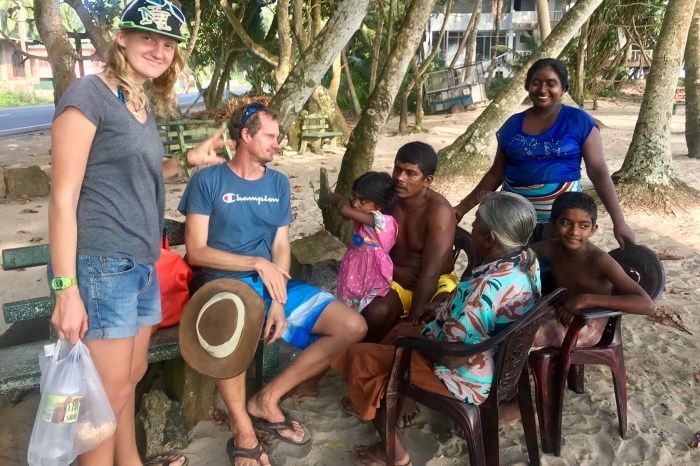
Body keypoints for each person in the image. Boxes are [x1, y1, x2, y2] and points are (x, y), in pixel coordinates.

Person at [48, 1, 225, 465]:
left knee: (129, 377)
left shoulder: (139, 104)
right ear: (121, 38)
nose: (159, 50)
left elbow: (134, 174)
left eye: (168, 43)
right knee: (101, 402)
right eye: (148, 37)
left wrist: (186, 162)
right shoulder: (88, 95)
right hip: (103, 262)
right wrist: (65, 289)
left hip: (144, 263)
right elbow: (63, 197)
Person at [177, 102, 367, 466]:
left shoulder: (277, 183)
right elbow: (197, 252)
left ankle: (266, 399)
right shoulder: (208, 181)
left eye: (277, 137)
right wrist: (255, 262)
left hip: (272, 285)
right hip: (226, 288)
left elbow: (281, 244)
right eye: (269, 136)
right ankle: (242, 430)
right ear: (245, 136)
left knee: (352, 326)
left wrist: (278, 299)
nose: (277, 144)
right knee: (229, 328)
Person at [332, 192, 542, 466]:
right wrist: (446, 306)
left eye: (476, 222)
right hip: (496, 357)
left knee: (362, 359)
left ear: (490, 238)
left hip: (465, 373)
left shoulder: (484, 290)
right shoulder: (525, 260)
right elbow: (478, 313)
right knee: (397, 333)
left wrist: (416, 336)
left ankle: (393, 451)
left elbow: (451, 358)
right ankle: (380, 398)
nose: (471, 226)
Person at [453, 58, 635, 248]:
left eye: (551, 83)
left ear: (563, 88)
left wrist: (619, 222)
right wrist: (461, 208)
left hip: (561, 226)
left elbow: (598, 172)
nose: (542, 89)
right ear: (528, 86)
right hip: (511, 223)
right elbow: (495, 173)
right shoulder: (512, 125)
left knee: (553, 266)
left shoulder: (579, 121)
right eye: (536, 83)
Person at [361, 142, 457, 344]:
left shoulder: (439, 211)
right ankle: (373, 354)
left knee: (437, 316)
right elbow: (354, 210)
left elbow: (430, 272)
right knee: (375, 313)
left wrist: (411, 324)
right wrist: (394, 271)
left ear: (427, 180)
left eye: (410, 173)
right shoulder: (387, 199)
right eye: (397, 169)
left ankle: (398, 353)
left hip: (436, 280)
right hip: (395, 278)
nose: (400, 178)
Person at [532, 192, 654, 348]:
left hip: (590, 324)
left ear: (593, 230)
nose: (574, 232)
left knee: (518, 342)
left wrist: (587, 299)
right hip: (559, 313)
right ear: (552, 224)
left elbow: (647, 305)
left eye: (584, 226)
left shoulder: (600, 260)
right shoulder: (549, 248)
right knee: (513, 329)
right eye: (566, 223)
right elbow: (518, 256)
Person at [330, 171, 398, 312]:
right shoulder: (362, 214)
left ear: (380, 204)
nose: (355, 204)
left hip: (372, 270)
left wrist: (343, 202)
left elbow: (344, 210)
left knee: (366, 306)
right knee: (348, 300)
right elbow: (338, 201)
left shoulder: (381, 220)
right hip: (354, 265)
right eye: (354, 197)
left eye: (362, 201)